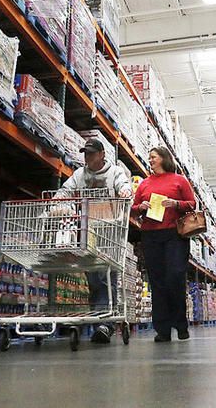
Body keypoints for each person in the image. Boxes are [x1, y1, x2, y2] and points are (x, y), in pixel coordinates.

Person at [55, 137, 132, 344]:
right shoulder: (80, 174)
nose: (87, 157)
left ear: (102, 154)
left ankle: (105, 324)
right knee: (93, 275)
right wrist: (58, 202)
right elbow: (66, 189)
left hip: (109, 230)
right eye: (85, 153)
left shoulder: (115, 172)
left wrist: (125, 191)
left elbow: (124, 184)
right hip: (88, 229)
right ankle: (101, 320)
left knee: (106, 275)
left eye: (91, 153)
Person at [131, 146, 197, 342]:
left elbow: (192, 204)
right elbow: (133, 209)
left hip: (174, 235)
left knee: (175, 276)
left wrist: (175, 204)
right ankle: (163, 329)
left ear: (164, 158)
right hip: (151, 236)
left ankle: (181, 324)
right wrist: (141, 207)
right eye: (149, 158)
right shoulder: (144, 184)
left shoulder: (179, 180)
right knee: (157, 281)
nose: (150, 160)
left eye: (153, 157)